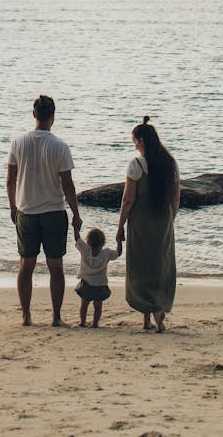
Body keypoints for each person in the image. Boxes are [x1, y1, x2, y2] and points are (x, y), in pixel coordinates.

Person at [6, 94, 82, 327]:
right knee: (55, 266)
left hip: (26, 210)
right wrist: (76, 214)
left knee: (26, 264)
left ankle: (26, 315)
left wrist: (13, 206)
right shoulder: (59, 146)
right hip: (53, 211)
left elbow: (10, 179)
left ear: (34, 115)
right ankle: (56, 316)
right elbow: (67, 185)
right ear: (53, 117)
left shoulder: (18, 142)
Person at [115, 116, 180, 332]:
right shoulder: (170, 163)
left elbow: (128, 199)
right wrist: (170, 218)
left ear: (141, 140)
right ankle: (159, 310)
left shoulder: (136, 165)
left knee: (141, 265)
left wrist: (120, 225)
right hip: (163, 218)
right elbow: (175, 198)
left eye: (134, 140)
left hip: (141, 220)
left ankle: (145, 319)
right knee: (161, 264)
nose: (134, 144)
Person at [73, 225, 121, 328]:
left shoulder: (85, 250)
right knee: (98, 306)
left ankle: (82, 322)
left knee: (84, 304)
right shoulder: (107, 253)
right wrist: (119, 241)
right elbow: (118, 253)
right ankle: (95, 323)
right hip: (100, 284)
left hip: (86, 284)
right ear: (103, 242)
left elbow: (77, 239)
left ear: (88, 240)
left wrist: (75, 227)